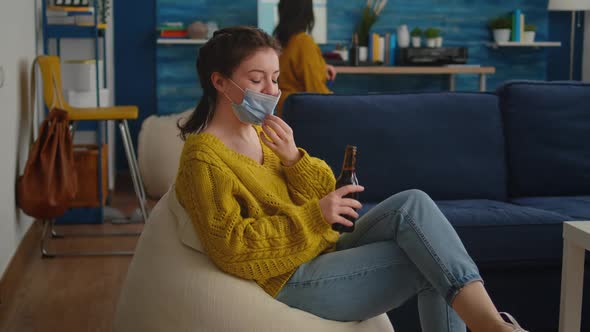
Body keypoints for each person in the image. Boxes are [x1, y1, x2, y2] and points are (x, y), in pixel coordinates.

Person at [175, 26, 528, 332]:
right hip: (289, 276)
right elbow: (232, 248)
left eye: (275, 78)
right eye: (256, 79)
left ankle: (489, 324)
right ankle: (492, 325)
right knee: (429, 262)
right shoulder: (204, 158)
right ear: (220, 82)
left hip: (321, 247)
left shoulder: (263, 133)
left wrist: (294, 157)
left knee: (414, 202)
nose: (270, 89)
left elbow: (329, 193)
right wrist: (315, 215)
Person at [273, 0, 336, 116]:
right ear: (307, 13)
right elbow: (317, 92)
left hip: (284, 111)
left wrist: (321, 67)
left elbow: (290, 69)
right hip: (303, 113)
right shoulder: (304, 43)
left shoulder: (278, 42)